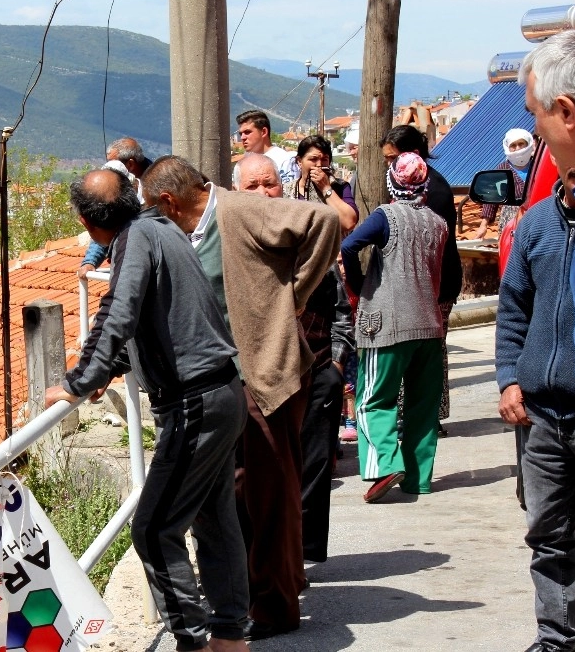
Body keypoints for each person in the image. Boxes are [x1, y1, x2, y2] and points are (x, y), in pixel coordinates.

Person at [46, 168, 251, 652]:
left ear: (86, 220)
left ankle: (194, 642)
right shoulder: (160, 228)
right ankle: (229, 636)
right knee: (215, 521)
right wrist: (115, 367)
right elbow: (155, 318)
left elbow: (119, 311)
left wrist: (80, 381)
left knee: (154, 530)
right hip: (222, 392)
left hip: (196, 401)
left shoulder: (135, 240)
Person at [141, 155, 340, 641]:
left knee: (269, 494)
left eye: (155, 208)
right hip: (225, 382)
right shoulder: (193, 229)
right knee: (236, 492)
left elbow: (326, 220)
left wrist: (294, 292)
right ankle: (264, 589)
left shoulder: (239, 211)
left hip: (264, 374)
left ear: (170, 201)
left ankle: (275, 607)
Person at [498, 29, 575, 652]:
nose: (535, 132)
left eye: (535, 115)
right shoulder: (541, 221)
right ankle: (556, 638)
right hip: (546, 418)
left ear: (566, 112)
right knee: (549, 536)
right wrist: (510, 377)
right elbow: (513, 309)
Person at [237, 155, 355, 563]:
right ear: (237, 194)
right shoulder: (235, 250)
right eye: (251, 186)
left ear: (282, 186)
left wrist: (336, 365)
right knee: (262, 475)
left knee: (313, 467)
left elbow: (342, 309)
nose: (262, 192)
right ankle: (271, 560)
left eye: (268, 183)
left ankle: (302, 559)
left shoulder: (308, 241)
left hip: (317, 370)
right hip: (261, 380)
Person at [341, 152, 448, 503]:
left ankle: (385, 465)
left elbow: (349, 245)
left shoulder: (385, 217)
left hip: (385, 325)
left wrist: (359, 287)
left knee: (373, 399)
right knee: (422, 405)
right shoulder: (438, 222)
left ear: (392, 183)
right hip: (429, 326)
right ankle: (418, 478)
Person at [380, 124, 463, 436]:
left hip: (435, 284)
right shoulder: (417, 187)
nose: (389, 166)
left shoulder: (434, 191)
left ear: (412, 155)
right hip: (423, 283)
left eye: (392, 159)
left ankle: (427, 414)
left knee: (430, 351)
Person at [77, 137, 152, 280]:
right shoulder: (117, 187)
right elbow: (106, 224)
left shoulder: (158, 187)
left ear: (130, 164)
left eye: (114, 164)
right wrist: (90, 261)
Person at [283, 134, 358, 232]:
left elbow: (349, 222)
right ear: (299, 161)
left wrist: (326, 188)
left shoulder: (340, 187)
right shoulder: (286, 190)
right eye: (313, 159)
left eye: (324, 160)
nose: (319, 165)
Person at [475, 128, 535, 239]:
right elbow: (491, 198)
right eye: (513, 145)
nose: (517, 148)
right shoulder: (503, 169)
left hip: (536, 218)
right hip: (510, 222)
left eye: (521, 144)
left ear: (528, 144)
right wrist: (483, 225)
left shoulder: (538, 165)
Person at [235, 110, 293, 177]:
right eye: (241, 134)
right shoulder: (243, 164)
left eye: (247, 132)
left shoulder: (284, 161)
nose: (242, 137)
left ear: (264, 132)